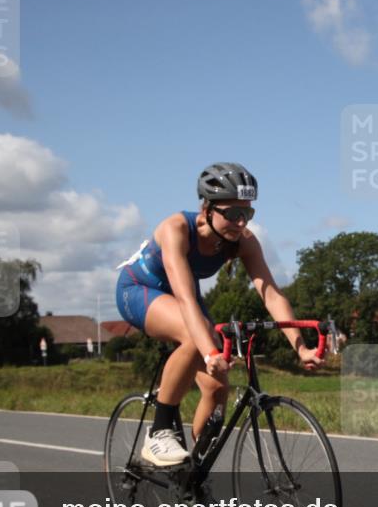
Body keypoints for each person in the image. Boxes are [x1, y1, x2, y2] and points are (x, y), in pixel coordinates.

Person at [115, 162, 323, 465]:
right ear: (207, 208)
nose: (241, 223)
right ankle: (159, 431)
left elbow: (271, 294)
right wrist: (210, 352)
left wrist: (300, 347)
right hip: (138, 290)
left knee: (217, 387)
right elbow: (186, 301)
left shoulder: (244, 242)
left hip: (181, 299)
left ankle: (194, 477)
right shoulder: (175, 228)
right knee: (194, 333)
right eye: (233, 214)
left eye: (247, 214)